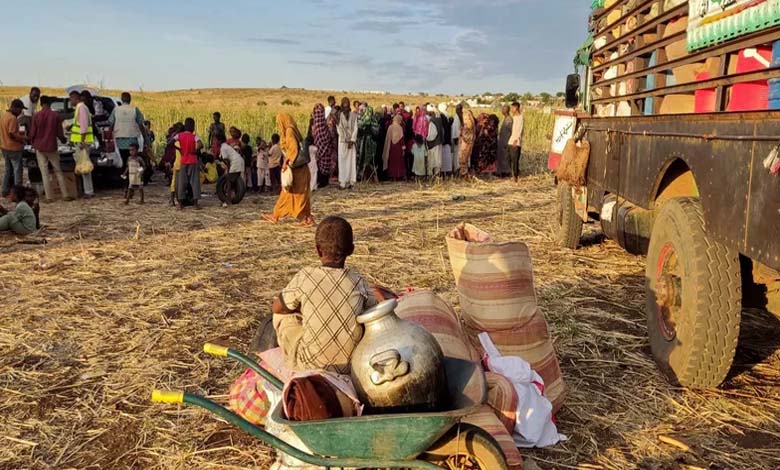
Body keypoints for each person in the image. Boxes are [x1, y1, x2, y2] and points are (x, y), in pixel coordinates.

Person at [272, 216, 378, 373]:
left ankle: (290, 364)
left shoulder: (305, 276)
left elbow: (277, 308)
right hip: (352, 367)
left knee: (282, 315)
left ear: (317, 249)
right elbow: (374, 310)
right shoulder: (357, 281)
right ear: (351, 250)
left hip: (309, 366)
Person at [262, 114, 315, 226]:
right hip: (301, 169)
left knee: (289, 193)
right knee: (301, 194)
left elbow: (293, 149)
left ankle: (275, 215)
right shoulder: (293, 130)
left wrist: (286, 162)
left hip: (297, 170)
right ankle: (307, 218)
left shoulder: (289, 132)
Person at [29, 96, 71, 201]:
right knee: (58, 170)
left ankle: (49, 197)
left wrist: (32, 143)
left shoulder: (36, 116)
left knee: (44, 172)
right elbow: (59, 133)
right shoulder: (55, 115)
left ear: (41, 103)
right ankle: (65, 195)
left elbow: (32, 133)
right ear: (50, 104)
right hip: (52, 146)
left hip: (40, 147)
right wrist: (64, 140)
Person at [109, 92, 148, 169]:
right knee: (133, 164)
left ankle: (123, 178)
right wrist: (145, 139)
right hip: (132, 142)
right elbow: (141, 125)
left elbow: (110, 124)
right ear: (130, 99)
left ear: (122, 99)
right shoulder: (135, 110)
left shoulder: (116, 110)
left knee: (121, 164)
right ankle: (132, 179)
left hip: (119, 142)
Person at [68, 91, 95, 198]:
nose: (70, 101)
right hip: (79, 142)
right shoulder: (80, 108)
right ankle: (84, 190)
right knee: (81, 167)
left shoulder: (81, 108)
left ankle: (88, 191)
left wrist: (82, 141)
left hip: (82, 143)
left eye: (71, 99)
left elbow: (83, 127)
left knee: (84, 168)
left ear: (76, 98)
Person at [1, 99, 28, 197]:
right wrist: (23, 138)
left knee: (8, 170)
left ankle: (5, 190)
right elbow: (12, 134)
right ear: (16, 108)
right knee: (17, 171)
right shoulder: (12, 118)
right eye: (20, 109)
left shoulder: (4, 116)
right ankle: (18, 193)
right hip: (14, 148)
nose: (21, 112)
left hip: (4, 147)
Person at [175, 117, 203, 210]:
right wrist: (196, 150)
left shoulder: (180, 135)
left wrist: (179, 149)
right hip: (193, 160)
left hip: (183, 160)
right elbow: (200, 144)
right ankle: (195, 204)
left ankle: (180, 204)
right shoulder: (194, 136)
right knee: (194, 182)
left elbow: (171, 141)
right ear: (193, 127)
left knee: (182, 182)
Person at [312, 104, 336, 189]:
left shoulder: (320, 125)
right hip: (322, 149)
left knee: (323, 167)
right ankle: (322, 182)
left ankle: (322, 182)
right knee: (321, 167)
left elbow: (325, 138)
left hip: (323, 150)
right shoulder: (320, 125)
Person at [218, 133, 245, 207]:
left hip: (235, 163)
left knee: (228, 180)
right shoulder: (226, 146)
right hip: (239, 161)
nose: (214, 142)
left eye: (215, 140)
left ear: (219, 141)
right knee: (233, 180)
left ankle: (228, 200)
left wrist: (228, 169)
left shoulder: (223, 148)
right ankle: (233, 197)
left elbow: (226, 160)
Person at [337, 97, 358, 190]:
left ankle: (351, 181)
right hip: (342, 142)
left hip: (351, 142)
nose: (345, 105)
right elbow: (339, 129)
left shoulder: (353, 115)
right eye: (344, 103)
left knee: (351, 162)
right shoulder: (339, 115)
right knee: (342, 162)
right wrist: (345, 139)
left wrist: (352, 140)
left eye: (347, 103)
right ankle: (342, 182)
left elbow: (356, 128)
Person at [357, 105, 380, 182]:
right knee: (364, 161)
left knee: (368, 161)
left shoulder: (367, 120)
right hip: (364, 143)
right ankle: (362, 177)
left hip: (368, 144)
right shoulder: (364, 120)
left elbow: (376, 132)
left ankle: (368, 178)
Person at [382, 114, 406, 181]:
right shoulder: (400, 128)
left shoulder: (390, 127)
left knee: (392, 162)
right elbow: (402, 139)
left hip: (392, 147)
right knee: (399, 162)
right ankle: (398, 175)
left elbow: (388, 139)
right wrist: (403, 149)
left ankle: (392, 176)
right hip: (398, 148)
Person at [509, 101, 525, 182]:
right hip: (511, 141)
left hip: (515, 141)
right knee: (511, 159)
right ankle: (516, 173)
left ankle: (515, 176)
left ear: (516, 108)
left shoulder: (520, 117)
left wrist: (516, 139)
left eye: (512, 107)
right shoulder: (514, 117)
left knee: (515, 160)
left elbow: (520, 129)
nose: (511, 109)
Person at [458, 109, 476, 178]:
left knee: (463, 158)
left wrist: (461, 133)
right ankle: (463, 173)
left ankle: (464, 174)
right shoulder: (468, 121)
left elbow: (466, 135)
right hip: (466, 142)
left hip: (466, 143)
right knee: (463, 159)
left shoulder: (468, 122)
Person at [497, 105, 513, 178]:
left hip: (506, 141)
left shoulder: (509, 120)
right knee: (502, 156)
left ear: (506, 110)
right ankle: (502, 172)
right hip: (502, 140)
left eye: (503, 109)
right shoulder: (505, 119)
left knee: (506, 157)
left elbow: (511, 131)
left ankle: (506, 172)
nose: (502, 110)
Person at [438, 103, 453, 177]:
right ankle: (445, 173)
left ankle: (446, 172)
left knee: (445, 157)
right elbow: (445, 127)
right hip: (445, 139)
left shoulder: (443, 115)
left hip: (445, 140)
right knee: (445, 157)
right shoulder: (443, 116)